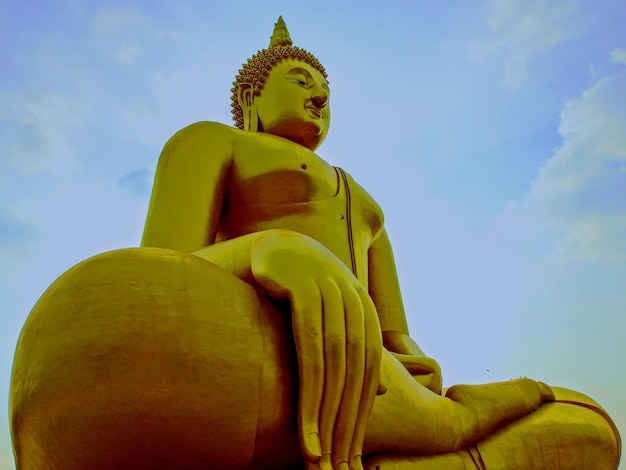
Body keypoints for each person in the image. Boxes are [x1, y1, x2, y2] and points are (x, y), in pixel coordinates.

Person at [10, 17, 620, 470]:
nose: (318, 99)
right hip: (259, 340)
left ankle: (449, 426)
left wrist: (415, 366)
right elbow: (157, 276)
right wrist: (262, 249)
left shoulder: (369, 205)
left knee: (589, 427)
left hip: (368, 375)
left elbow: (394, 338)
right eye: (299, 79)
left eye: (324, 91)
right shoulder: (212, 142)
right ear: (251, 98)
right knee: (91, 321)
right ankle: (450, 433)